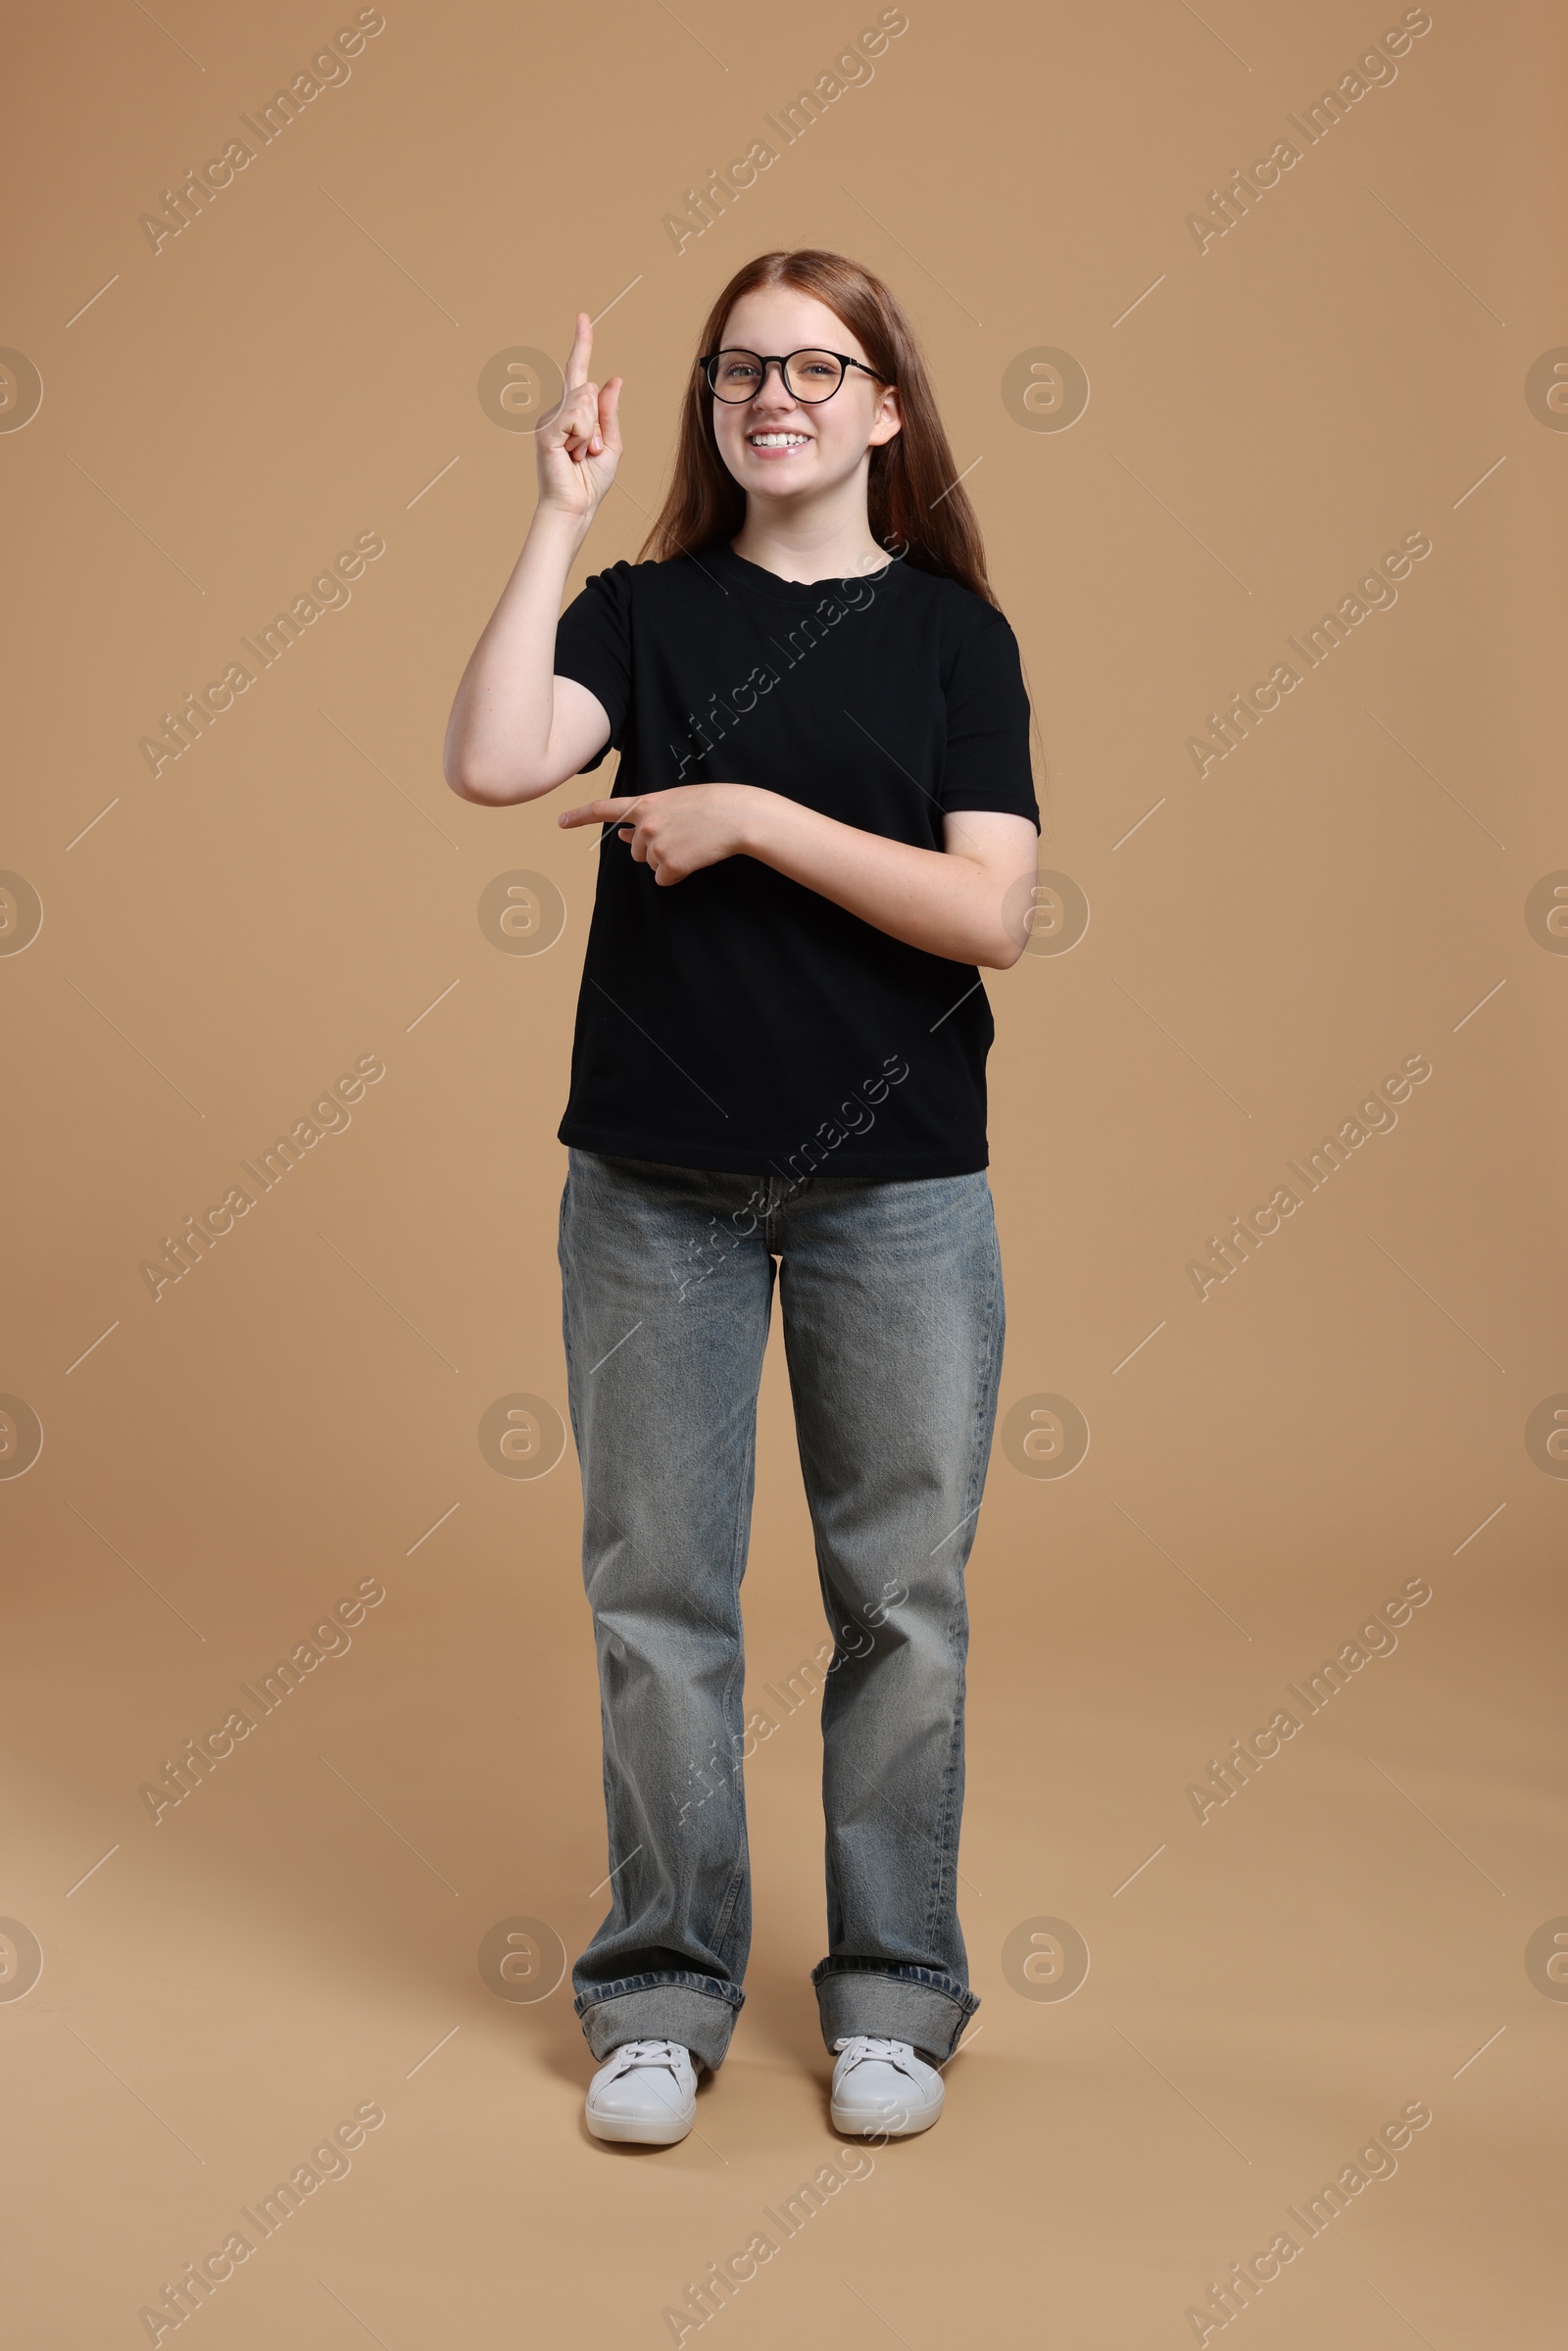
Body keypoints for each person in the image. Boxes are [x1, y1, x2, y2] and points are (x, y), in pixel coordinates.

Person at [443, 249, 1040, 2147]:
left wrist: (749, 819)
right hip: (651, 1185)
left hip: (897, 1197)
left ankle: (888, 1994)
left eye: (812, 364)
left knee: (900, 1605)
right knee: (658, 1600)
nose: (768, 393)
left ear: (882, 404)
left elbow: (990, 914)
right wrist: (553, 513)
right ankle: (659, 1988)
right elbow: (484, 758)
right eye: (734, 369)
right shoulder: (641, 613)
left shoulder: (956, 639)